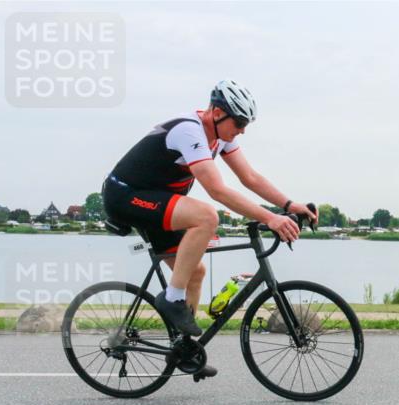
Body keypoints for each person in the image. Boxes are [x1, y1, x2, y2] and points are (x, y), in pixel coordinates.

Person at [102, 80, 314, 379]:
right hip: (126, 196)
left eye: (246, 124)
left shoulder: (221, 135)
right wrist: (270, 218)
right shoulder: (188, 131)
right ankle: (171, 297)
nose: (241, 130)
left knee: (196, 272)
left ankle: (183, 350)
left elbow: (250, 177)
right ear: (216, 113)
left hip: (157, 200)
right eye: (239, 122)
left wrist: (290, 205)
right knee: (206, 215)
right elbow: (217, 190)